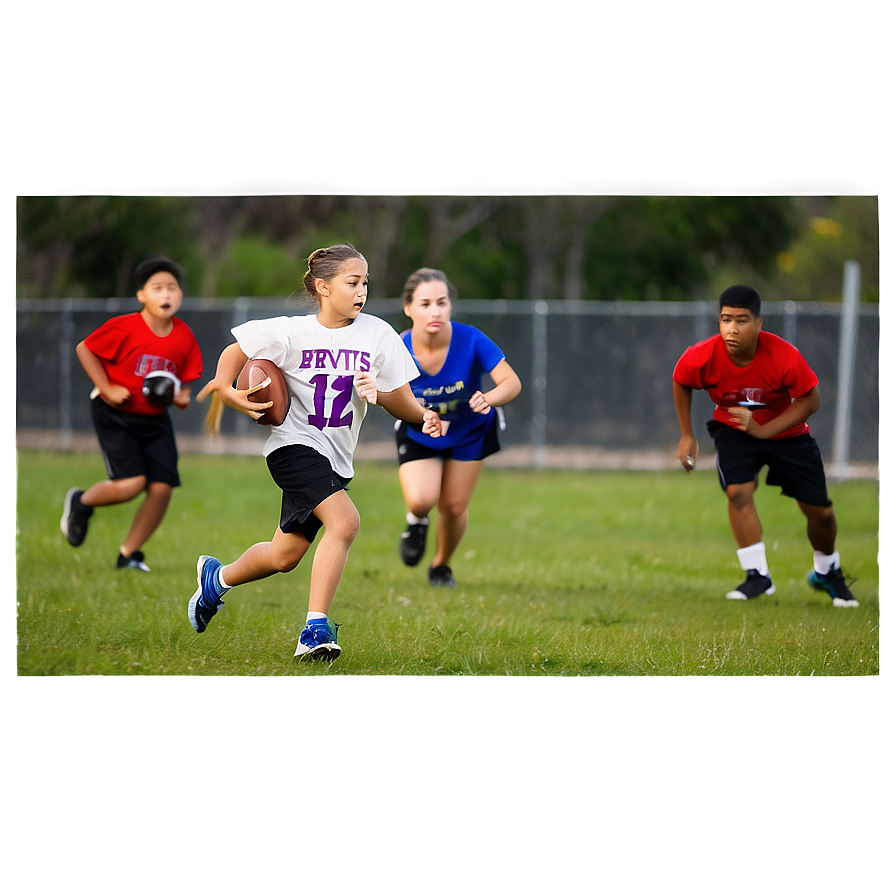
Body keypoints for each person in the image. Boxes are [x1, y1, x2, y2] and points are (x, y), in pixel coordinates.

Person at [189, 244, 442, 662]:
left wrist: (420, 416)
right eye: (352, 282)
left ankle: (217, 579)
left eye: (365, 282)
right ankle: (315, 629)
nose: (362, 290)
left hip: (335, 459)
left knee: (284, 556)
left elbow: (400, 398)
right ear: (323, 287)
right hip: (292, 447)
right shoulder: (291, 331)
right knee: (345, 521)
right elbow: (237, 349)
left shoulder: (378, 334)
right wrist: (227, 389)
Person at [672, 283, 858, 606]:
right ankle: (757, 576)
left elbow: (811, 399)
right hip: (733, 429)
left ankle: (827, 571)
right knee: (738, 492)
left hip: (788, 434)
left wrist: (763, 430)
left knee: (822, 513)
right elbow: (681, 379)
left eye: (742, 320)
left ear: (759, 323)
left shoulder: (783, 356)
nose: (732, 329)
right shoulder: (703, 355)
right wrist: (687, 435)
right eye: (726, 319)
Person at [60, 256, 203, 571]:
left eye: (172, 288)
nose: (165, 295)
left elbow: (184, 383)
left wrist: (182, 398)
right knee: (131, 484)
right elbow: (85, 349)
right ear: (141, 295)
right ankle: (81, 503)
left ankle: (128, 555)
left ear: (180, 295)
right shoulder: (124, 326)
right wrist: (107, 388)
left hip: (155, 418)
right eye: (157, 288)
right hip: (115, 413)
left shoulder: (184, 337)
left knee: (162, 487)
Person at [394, 267, 521, 587]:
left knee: (452, 507)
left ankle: (440, 566)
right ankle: (416, 521)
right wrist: (419, 413)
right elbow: (385, 394)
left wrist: (490, 398)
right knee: (421, 500)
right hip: (421, 431)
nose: (435, 311)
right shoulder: (397, 347)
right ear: (408, 308)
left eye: (442, 302)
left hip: (469, 432)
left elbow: (511, 382)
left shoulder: (471, 339)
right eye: (425, 304)